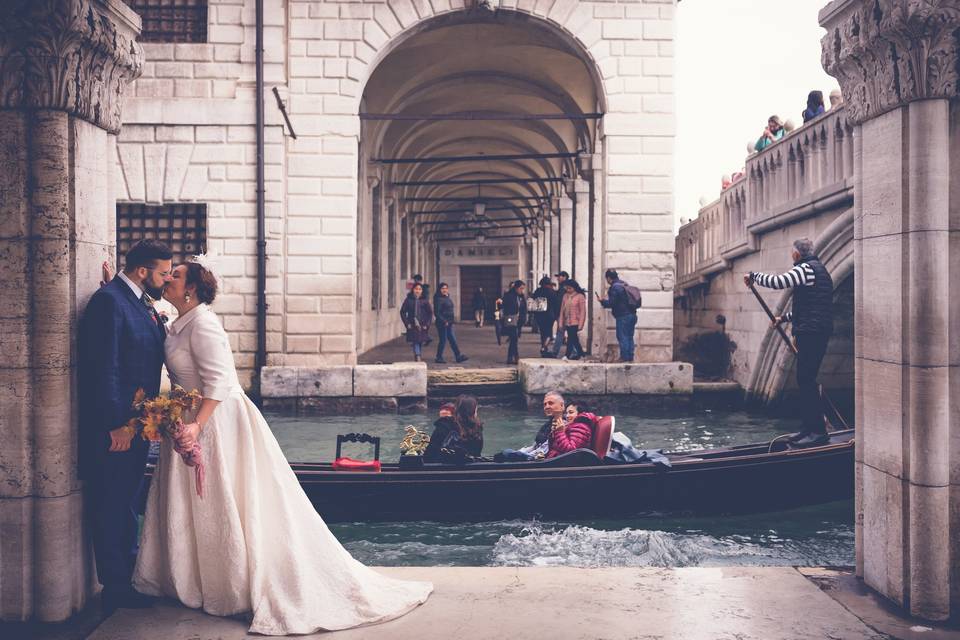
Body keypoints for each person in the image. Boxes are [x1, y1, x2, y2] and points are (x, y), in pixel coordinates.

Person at [125, 256, 432, 634]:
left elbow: (220, 383)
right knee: (193, 503)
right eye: (168, 273)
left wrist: (196, 429)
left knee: (223, 499)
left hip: (215, 420)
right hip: (189, 417)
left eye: (175, 275)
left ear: (190, 289)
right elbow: (157, 322)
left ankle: (229, 585)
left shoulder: (204, 324)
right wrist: (122, 286)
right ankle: (191, 581)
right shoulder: (179, 321)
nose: (168, 279)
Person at [79, 240, 173, 614]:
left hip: (140, 424)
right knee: (113, 504)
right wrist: (117, 424)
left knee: (126, 502)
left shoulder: (131, 298)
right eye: (163, 273)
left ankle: (129, 575)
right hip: (120, 427)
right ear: (142, 271)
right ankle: (116, 587)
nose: (166, 280)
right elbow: (105, 368)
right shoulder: (110, 302)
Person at [744, 238, 834, 447]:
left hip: (812, 334)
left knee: (806, 380)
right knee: (805, 380)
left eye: (791, 252)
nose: (791, 255)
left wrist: (754, 276)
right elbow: (811, 308)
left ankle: (818, 432)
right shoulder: (817, 270)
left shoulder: (806, 269)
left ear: (796, 254)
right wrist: (783, 319)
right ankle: (809, 428)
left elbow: (778, 282)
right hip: (814, 331)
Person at [598, 269, 639, 362]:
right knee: (629, 336)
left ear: (608, 278)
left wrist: (602, 302)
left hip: (623, 316)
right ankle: (630, 357)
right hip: (632, 315)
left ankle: (624, 357)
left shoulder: (615, 287)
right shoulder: (624, 284)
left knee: (622, 336)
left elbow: (612, 303)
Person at [433, 282, 468, 364]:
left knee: (452, 339)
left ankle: (458, 356)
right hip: (442, 323)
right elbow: (437, 313)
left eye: (446, 288)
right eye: (442, 288)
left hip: (449, 323)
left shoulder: (447, 297)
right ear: (439, 290)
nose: (444, 290)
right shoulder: (438, 299)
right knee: (443, 340)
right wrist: (444, 321)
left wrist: (450, 321)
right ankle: (438, 357)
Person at [400, 282, 432, 362]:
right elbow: (402, 312)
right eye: (416, 289)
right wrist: (407, 323)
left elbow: (430, 313)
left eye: (419, 289)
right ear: (413, 290)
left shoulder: (424, 301)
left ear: (422, 291)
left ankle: (418, 354)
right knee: (415, 341)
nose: (418, 291)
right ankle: (418, 356)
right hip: (412, 324)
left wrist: (427, 324)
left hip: (422, 324)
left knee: (420, 341)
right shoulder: (408, 300)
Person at [558, 279, 587, 360]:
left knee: (571, 338)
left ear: (574, 288)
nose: (568, 290)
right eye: (567, 288)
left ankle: (567, 355)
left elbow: (583, 311)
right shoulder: (565, 296)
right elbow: (562, 310)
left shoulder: (580, 296)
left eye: (570, 288)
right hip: (567, 321)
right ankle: (581, 354)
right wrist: (560, 322)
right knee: (574, 339)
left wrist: (581, 324)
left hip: (575, 321)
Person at [501, 280, 527, 365]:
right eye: (521, 288)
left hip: (519, 321)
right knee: (514, 338)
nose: (522, 290)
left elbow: (523, 308)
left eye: (523, 289)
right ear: (516, 288)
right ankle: (515, 357)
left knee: (513, 339)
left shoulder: (521, 297)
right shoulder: (509, 295)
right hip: (511, 319)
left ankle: (511, 357)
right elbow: (504, 306)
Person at [530, 276, 558, 355]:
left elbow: (532, 301)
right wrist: (556, 315)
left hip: (539, 315)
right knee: (548, 332)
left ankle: (543, 345)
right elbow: (556, 304)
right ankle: (544, 347)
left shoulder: (537, 291)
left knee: (542, 332)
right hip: (549, 315)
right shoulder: (551, 292)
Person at [550, 271, 570, 357]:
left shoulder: (564, 288)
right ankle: (573, 352)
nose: (558, 278)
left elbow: (560, 302)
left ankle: (555, 352)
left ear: (564, 277)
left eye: (559, 276)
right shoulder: (564, 287)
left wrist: (558, 314)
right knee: (563, 332)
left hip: (563, 314)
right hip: (563, 313)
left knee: (561, 332)